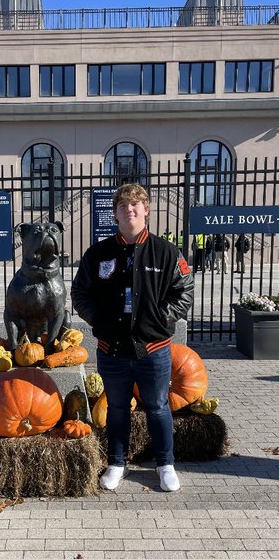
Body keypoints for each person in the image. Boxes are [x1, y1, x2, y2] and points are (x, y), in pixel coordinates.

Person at [71, 183, 195, 493]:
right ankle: (116, 463)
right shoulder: (99, 253)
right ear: (114, 213)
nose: (130, 209)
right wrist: (97, 318)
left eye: (136, 204)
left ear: (147, 210)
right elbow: (79, 292)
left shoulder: (166, 252)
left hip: (153, 349)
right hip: (111, 350)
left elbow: (185, 290)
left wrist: (161, 320)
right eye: (123, 206)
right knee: (116, 408)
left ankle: (165, 464)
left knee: (156, 406)